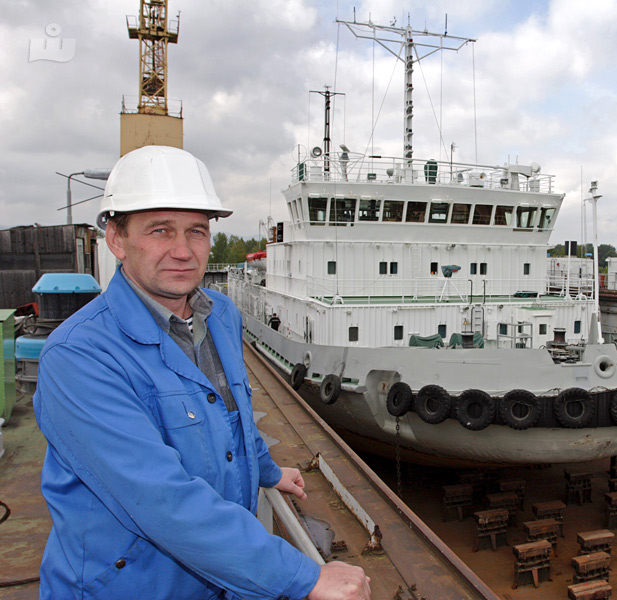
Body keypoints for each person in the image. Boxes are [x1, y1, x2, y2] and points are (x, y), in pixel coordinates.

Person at [33, 146, 370, 600]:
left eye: (197, 230)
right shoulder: (79, 357)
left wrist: (267, 471)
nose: (183, 250)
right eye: (159, 230)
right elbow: (159, 500)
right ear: (116, 239)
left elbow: (235, 414)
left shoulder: (221, 316)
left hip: (217, 582)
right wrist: (306, 577)